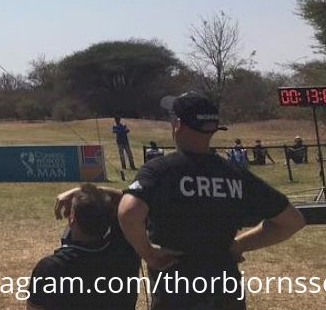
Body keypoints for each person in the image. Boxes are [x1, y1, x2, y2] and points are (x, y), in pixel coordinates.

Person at [119, 91, 305, 310]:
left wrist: (148, 253)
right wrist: (239, 245)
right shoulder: (236, 173)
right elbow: (293, 221)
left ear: (177, 124)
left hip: (177, 290)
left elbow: (129, 212)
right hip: (225, 289)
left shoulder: (161, 170)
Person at [28, 183, 140, 310]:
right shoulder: (126, 256)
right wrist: (84, 192)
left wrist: (82, 192)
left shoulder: (50, 268)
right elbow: (130, 199)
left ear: (72, 218)